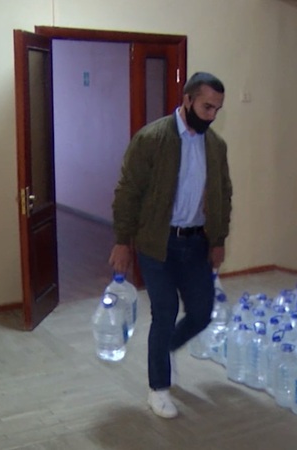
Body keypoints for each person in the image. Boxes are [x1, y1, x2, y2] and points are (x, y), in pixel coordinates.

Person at [109, 72, 232, 419]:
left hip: (196, 242)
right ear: (187, 99)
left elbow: (224, 194)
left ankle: (164, 350)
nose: (212, 115)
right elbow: (127, 192)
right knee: (164, 312)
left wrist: (218, 240)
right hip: (156, 243)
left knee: (201, 313)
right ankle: (158, 388)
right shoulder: (151, 139)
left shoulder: (216, 146)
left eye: (217, 109)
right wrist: (122, 241)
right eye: (207, 107)